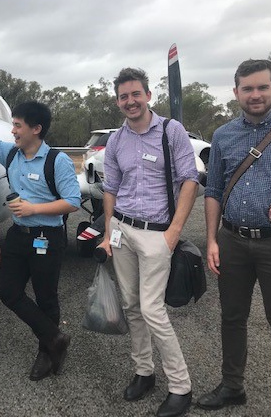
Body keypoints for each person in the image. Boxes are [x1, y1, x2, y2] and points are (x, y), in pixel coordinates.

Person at [197, 59, 271, 417]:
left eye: (262, 87)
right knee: (232, 318)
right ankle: (233, 387)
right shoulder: (223, 135)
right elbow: (214, 189)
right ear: (236, 93)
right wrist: (212, 239)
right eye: (247, 88)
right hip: (232, 241)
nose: (255, 94)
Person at [97, 68, 199, 417]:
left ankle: (180, 387)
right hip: (122, 229)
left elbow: (189, 181)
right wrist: (109, 231)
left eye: (135, 94)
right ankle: (144, 371)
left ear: (148, 95)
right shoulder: (116, 141)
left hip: (158, 233)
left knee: (153, 309)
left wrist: (172, 234)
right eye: (124, 97)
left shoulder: (172, 132)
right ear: (118, 101)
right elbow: (111, 188)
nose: (130, 101)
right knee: (131, 306)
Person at [0, 101, 80, 381]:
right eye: (13, 124)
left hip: (47, 238)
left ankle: (46, 352)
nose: (12, 131)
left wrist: (34, 208)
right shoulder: (11, 153)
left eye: (17, 125)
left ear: (36, 129)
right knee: (8, 292)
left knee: (46, 297)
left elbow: (72, 202)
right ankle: (55, 338)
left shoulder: (56, 161)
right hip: (18, 236)